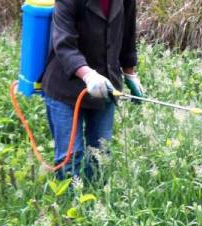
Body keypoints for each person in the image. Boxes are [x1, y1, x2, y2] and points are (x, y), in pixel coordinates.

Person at [40, 0, 144, 180]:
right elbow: (64, 46)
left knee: (100, 156)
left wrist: (130, 74)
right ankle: (70, 204)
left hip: (105, 85)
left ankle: (95, 204)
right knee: (71, 158)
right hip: (64, 87)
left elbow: (127, 34)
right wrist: (88, 75)